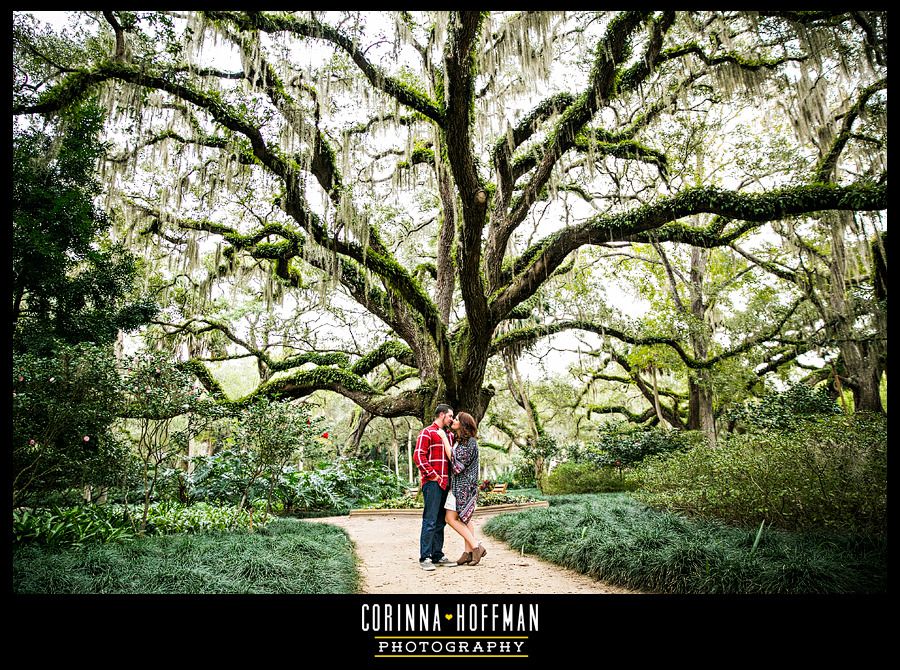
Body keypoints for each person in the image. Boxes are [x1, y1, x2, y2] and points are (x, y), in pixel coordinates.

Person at [437, 411, 486, 566]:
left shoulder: (470, 442)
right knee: (465, 519)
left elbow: (457, 465)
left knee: (450, 518)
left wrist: (444, 438)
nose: (454, 421)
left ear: (463, 424)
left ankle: (476, 546)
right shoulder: (461, 440)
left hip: (464, 488)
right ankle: (468, 553)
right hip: (458, 486)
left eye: (457, 419)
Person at [413, 403, 455, 571]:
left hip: (446, 484)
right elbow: (419, 456)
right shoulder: (426, 432)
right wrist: (433, 476)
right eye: (450, 416)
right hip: (432, 483)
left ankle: (437, 554)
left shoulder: (449, 436)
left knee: (440, 521)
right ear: (442, 415)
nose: (452, 419)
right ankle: (425, 557)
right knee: (429, 520)